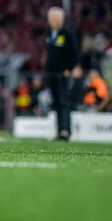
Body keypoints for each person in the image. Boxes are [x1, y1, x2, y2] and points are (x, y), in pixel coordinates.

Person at [43, 7, 80, 141]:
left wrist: (70, 68)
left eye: (56, 18)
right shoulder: (49, 34)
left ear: (62, 20)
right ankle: (59, 130)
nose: (53, 21)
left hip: (63, 73)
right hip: (51, 73)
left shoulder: (67, 34)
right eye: (51, 18)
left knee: (64, 102)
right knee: (56, 103)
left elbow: (74, 52)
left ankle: (65, 130)